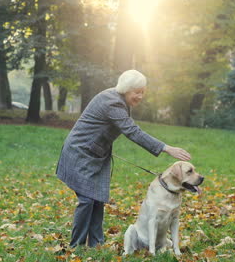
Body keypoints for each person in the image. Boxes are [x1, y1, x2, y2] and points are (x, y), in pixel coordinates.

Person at [56, 70, 191, 248]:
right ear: (126, 89)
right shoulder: (112, 102)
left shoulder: (120, 101)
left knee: (96, 199)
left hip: (96, 154)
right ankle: (76, 246)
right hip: (80, 153)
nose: (141, 96)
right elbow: (132, 131)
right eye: (137, 91)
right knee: (87, 200)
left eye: (143, 91)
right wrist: (166, 148)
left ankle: (96, 244)